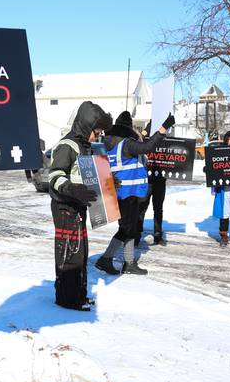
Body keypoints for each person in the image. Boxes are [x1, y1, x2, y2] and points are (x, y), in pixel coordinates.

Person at [48, 101, 113, 310]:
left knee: (80, 252)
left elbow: (89, 176)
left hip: (78, 206)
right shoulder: (67, 146)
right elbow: (55, 176)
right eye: (97, 131)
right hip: (64, 206)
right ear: (86, 126)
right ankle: (68, 298)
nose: (98, 135)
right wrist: (72, 190)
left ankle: (78, 294)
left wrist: (108, 183)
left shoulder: (86, 146)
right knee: (69, 252)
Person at [94, 111, 174, 276]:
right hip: (128, 193)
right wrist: (163, 128)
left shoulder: (109, 144)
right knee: (126, 230)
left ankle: (127, 262)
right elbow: (148, 147)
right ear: (128, 129)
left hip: (119, 193)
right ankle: (108, 259)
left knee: (128, 229)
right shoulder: (126, 144)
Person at [136, 121, 167, 246]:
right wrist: (146, 131)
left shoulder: (166, 139)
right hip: (147, 179)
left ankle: (158, 235)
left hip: (160, 180)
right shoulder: (146, 136)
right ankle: (137, 235)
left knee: (158, 208)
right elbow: (139, 138)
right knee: (141, 207)